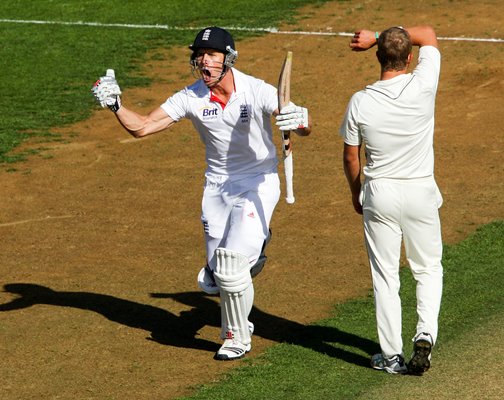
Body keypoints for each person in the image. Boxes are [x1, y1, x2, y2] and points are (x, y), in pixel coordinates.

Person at [92, 26, 311, 361]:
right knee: (216, 278)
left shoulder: (255, 90)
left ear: (229, 59)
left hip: (258, 182)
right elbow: (143, 127)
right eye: (199, 56)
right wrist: (116, 106)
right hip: (217, 189)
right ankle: (250, 261)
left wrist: (298, 120)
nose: (204, 62)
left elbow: (298, 122)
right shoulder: (191, 97)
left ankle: (235, 336)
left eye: (211, 55)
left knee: (231, 266)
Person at [339, 25, 443, 375]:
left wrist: (357, 193)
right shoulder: (423, 82)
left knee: (385, 276)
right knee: (427, 269)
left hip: (379, 193)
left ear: (378, 57)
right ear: (409, 58)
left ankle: (392, 356)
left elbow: (352, 157)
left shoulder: (360, 101)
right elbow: (427, 32)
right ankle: (425, 334)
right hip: (420, 191)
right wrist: (377, 35)